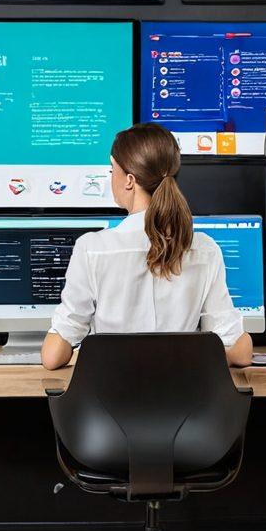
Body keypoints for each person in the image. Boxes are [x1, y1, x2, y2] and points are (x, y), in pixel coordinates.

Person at [40, 122, 254, 370]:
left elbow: (53, 357)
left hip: (110, 406)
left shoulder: (92, 249)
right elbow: (240, 352)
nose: (111, 177)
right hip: (184, 406)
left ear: (129, 180)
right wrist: (188, 359)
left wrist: (92, 357)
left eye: (113, 169)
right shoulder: (204, 249)